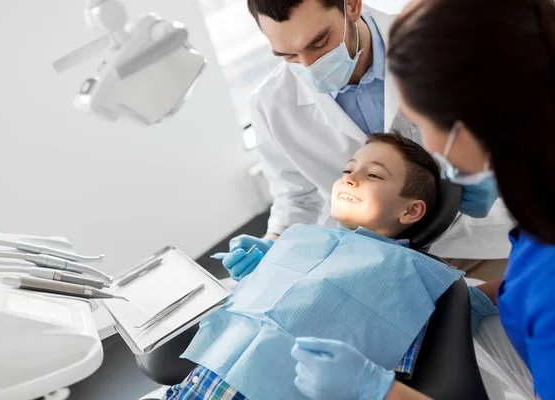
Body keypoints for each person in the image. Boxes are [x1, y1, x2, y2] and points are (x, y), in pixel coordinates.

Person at [291, 0, 555, 399]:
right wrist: (471, 301)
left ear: (472, 123)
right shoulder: (541, 220)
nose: (429, 146)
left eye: (424, 125)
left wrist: (380, 392)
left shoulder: (547, 280)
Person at [162, 133, 494, 400]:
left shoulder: (412, 275)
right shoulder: (300, 241)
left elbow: (462, 315)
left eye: (374, 175)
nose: (351, 179)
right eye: (348, 170)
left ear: (410, 212)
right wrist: (260, 270)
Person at [225, 0, 513, 282]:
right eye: (288, 56)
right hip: (376, 264)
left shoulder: (444, 44)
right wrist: (274, 240)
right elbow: (297, 197)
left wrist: (497, 176)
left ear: (352, 6)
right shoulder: (272, 104)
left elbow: (527, 125)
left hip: (485, 239)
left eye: (319, 42)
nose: (309, 66)